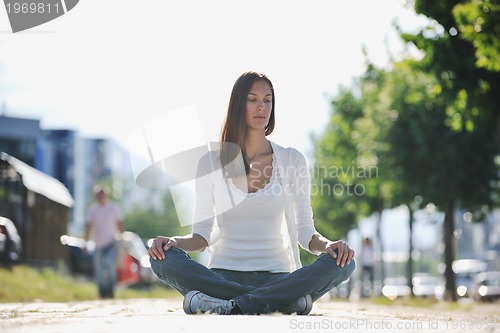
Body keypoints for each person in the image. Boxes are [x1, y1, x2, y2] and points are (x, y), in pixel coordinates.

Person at [148, 71, 356, 315]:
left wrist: (331, 245)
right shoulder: (210, 163)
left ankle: (228, 305)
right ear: (238, 103)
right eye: (252, 99)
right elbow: (201, 237)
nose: (262, 107)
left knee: (345, 262)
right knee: (161, 257)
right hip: (222, 278)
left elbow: (305, 233)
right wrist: (172, 242)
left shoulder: (292, 160)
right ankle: (280, 303)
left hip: (279, 279)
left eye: (267, 100)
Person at [84, 184, 125, 299]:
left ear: (106, 195)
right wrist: (85, 242)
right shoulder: (93, 210)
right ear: (96, 196)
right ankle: (102, 292)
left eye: (102, 195)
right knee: (100, 270)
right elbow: (88, 227)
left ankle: (110, 291)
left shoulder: (113, 208)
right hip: (98, 244)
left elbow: (119, 223)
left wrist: (123, 238)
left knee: (111, 268)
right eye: (98, 195)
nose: (101, 197)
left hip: (111, 242)